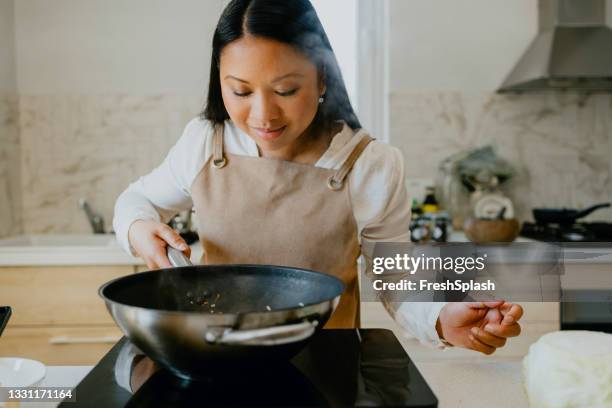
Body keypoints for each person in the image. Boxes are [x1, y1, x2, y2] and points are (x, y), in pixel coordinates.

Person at [113, 0, 522, 354]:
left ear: (323, 78)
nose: (263, 115)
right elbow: (136, 200)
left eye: (286, 91)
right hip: (218, 359)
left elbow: (395, 278)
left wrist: (440, 318)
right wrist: (138, 228)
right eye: (240, 91)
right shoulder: (205, 143)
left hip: (328, 366)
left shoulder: (370, 164)